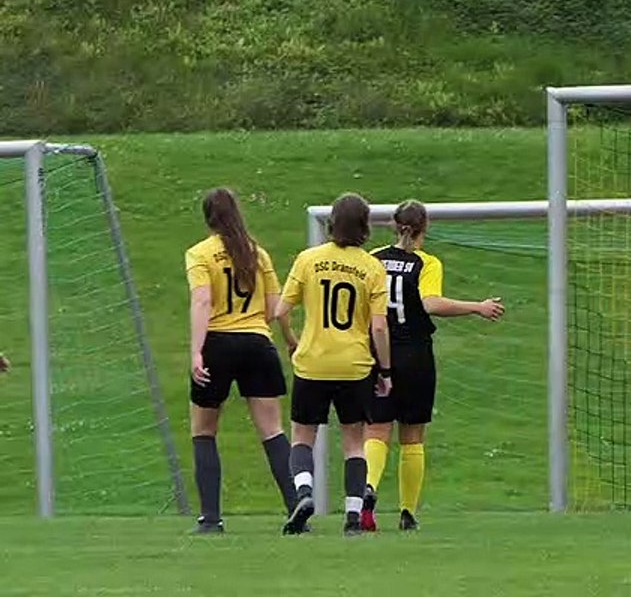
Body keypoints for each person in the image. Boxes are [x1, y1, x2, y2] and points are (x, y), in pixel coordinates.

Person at [361, 200, 505, 532]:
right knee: (412, 436)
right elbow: (430, 303)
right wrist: (476, 306)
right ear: (423, 228)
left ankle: (368, 487)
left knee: (377, 429)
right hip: (414, 355)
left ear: (394, 225)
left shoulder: (374, 259)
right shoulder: (426, 263)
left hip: (377, 351)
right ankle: (407, 512)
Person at [275, 193, 392, 536]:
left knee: (302, 435)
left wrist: (292, 341)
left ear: (332, 223)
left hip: (313, 362)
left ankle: (304, 494)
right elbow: (379, 327)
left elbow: (280, 311)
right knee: (354, 441)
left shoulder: (308, 259)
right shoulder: (372, 267)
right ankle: (353, 515)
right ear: (365, 226)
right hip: (354, 365)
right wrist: (384, 371)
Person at [185, 187, 299, 534]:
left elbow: (202, 301)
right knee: (273, 430)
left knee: (204, 430)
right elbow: (275, 308)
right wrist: (289, 338)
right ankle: (296, 507)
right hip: (257, 343)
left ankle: (211, 519)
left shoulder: (200, 253)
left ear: (208, 218)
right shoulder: (257, 254)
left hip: (217, 343)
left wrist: (196, 351)